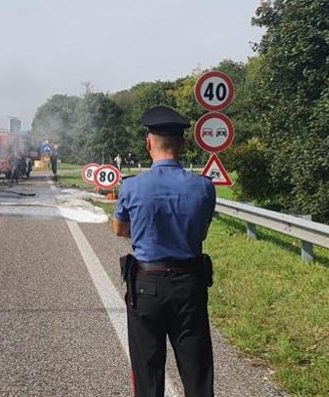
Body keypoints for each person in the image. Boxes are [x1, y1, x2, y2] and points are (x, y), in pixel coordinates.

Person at [112, 107, 216, 397]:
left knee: (148, 373)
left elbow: (119, 229)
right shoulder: (204, 188)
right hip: (190, 286)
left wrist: (148, 231)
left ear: (148, 143)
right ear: (182, 145)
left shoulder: (132, 186)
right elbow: (201, 231)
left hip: (147, 286)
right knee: (197, 373)